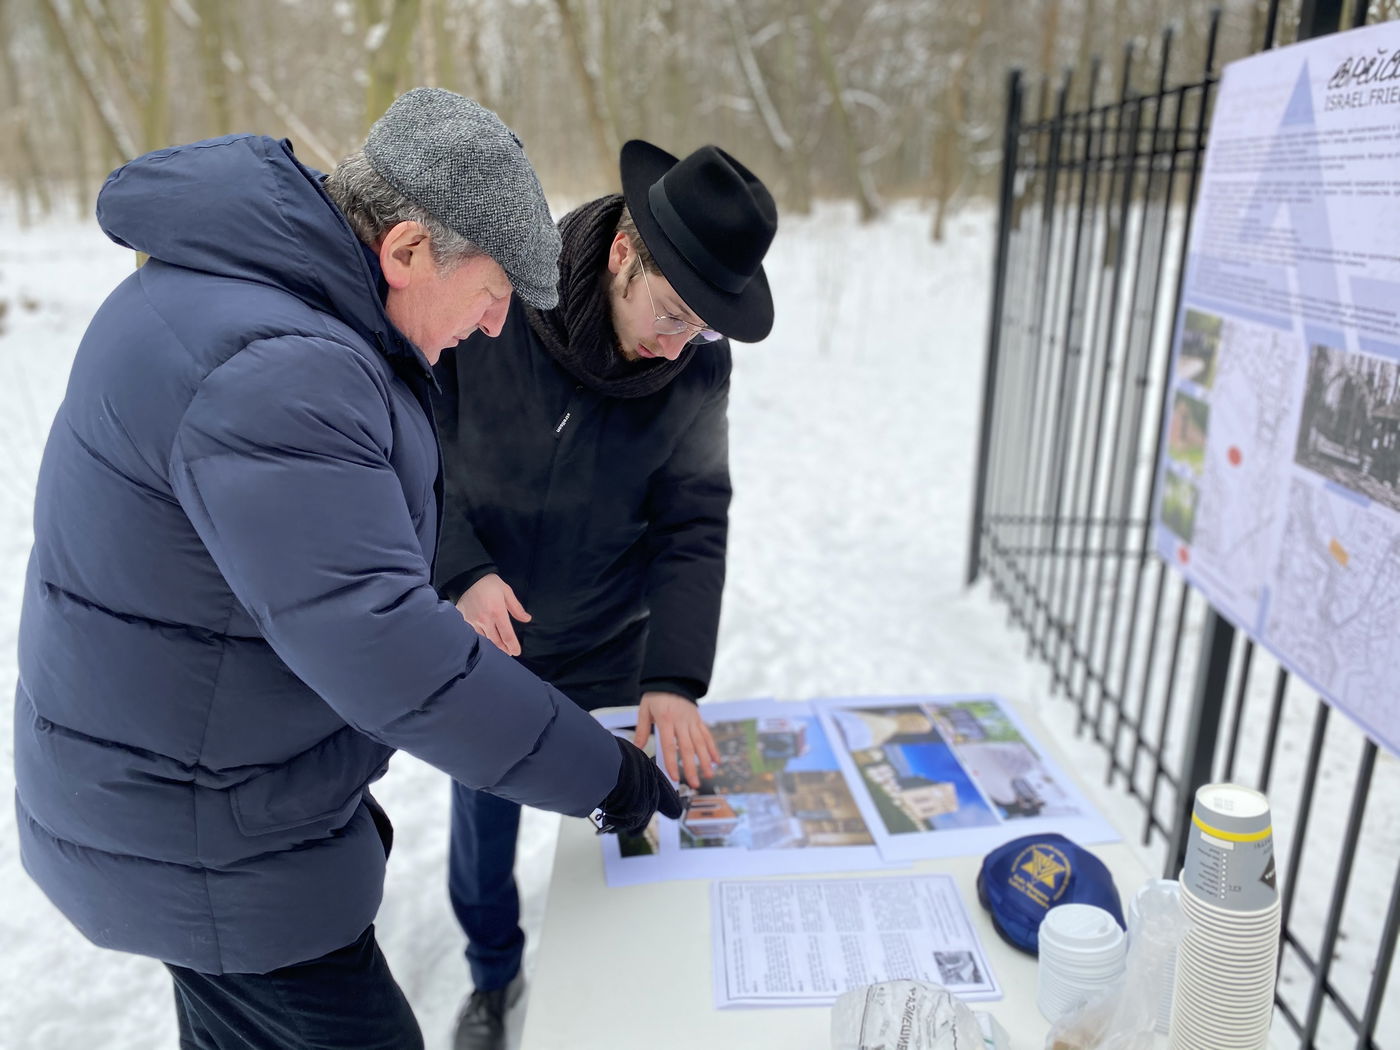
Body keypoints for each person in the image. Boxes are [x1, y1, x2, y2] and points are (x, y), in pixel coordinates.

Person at [12, 87, 680, 1050]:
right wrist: (603, 773)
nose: (497, 327)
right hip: (210, 841)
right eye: (493, 292)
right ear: (405, 251)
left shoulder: (237, 300)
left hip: (180, 797)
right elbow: (392, 654)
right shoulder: (280, 369)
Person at [433, 139, 777, 1049]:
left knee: (626, 816)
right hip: (487, 635)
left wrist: (674, 674)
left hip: (612, 640)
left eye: (702, 329)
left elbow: (693, 519)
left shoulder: (697, 366)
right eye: (672, 314)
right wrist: (459, 569)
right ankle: (493, 977)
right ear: (624, 252)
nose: (678, 344)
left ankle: (626, 992)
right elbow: (415, 449)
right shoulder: (497, 300)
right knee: (485, 818)